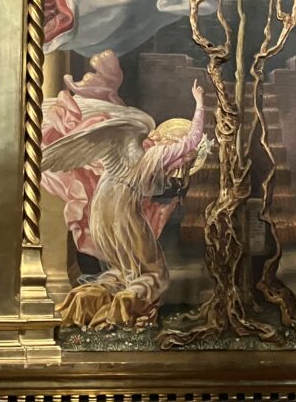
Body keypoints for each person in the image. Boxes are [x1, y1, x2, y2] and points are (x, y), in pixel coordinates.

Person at [42, 52, 206, 329]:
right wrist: (199, 103)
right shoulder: (154, 153)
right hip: (122, 210)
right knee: (153, 269)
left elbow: (179, 159)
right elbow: (193, 139)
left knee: (124, 265)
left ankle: (96, 295)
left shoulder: (138, 148)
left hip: (102, 207)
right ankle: (127, 303)